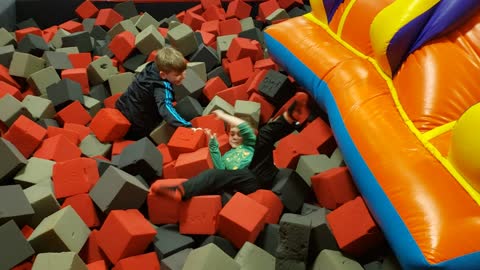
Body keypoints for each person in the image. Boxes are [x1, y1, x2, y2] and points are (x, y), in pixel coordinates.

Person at [151, 92, 311, 201]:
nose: (234, 137)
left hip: (264, 172)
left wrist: (224, 117)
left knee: (264, 137)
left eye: (238, 134)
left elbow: (250, 131)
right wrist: (213, 146)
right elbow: (220, 170)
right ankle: (181, 190)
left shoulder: (253, 144)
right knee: (216, 174)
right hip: (247, 181)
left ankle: (292, 117)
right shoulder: (229, 155)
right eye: (231, 134)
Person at [115, 47, 192, 140]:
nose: (183, 76)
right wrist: (186, 126)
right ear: (163, 75)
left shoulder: (152, 66)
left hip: (122, 106)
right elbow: (165, 108)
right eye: (177, 75)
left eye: (183, 71)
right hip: (135, 126)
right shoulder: (161, 87)